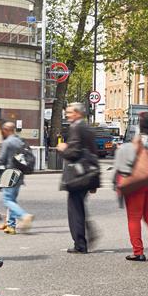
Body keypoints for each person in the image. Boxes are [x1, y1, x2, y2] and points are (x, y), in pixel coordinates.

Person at [113, 112, 148, 261]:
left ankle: (138, 252)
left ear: (141, 125)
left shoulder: (139, 140)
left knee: (134, 218)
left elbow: (129, 162)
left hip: (137, 182)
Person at [57, 103, 98, 253]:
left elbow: (73, 152)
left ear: (77, 113)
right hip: (88, 174)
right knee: (80, 207)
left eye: (69, 112)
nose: (67, 115)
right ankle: (89, 233)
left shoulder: (76, 127)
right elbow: (93, 153)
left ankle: (80, 244)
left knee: (75, 210)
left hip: (77, 176)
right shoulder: (87, 128)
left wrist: (63, 149)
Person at [0, 121, 33, 234]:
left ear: (6, 130)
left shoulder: (7, 142)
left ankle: (24, 215)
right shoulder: (20, 141)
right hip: (20, 173)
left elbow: (1, 159)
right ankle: (11, 226)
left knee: (7, 200)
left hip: (10, 172)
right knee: (12, 199)